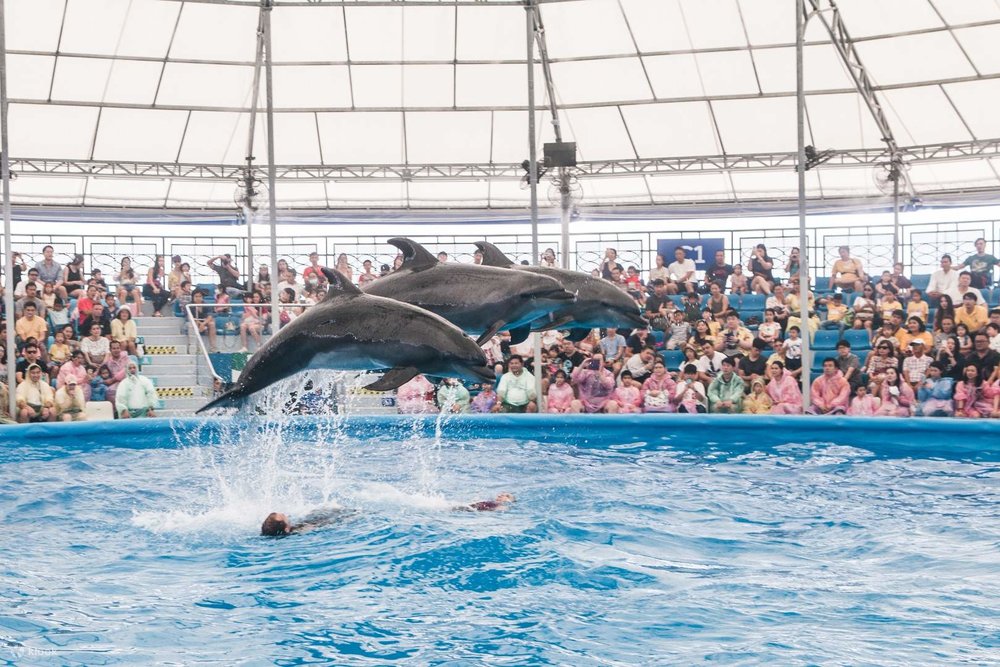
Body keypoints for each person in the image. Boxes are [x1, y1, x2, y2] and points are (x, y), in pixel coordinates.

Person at [260, 507, 353, 536]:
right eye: (284, 517)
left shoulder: (269, 530)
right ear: (287, 528)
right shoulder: (301, 530)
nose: (285, 514)